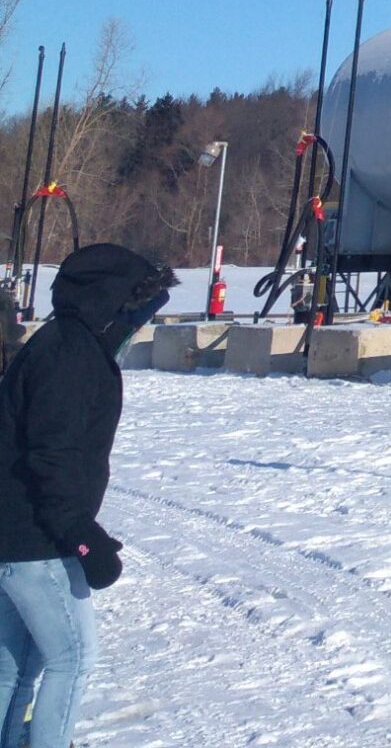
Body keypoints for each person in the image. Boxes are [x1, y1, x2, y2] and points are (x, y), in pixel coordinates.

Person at [0, 243, 174, 748]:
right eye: (139, 307)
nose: (141, 319)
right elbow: (51, 456)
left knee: (17, 663)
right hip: (36, 541)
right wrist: (81, 536)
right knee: (71, 660)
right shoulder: (72, 355)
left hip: (16, 536)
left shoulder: (60, 343)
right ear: (111, 299)